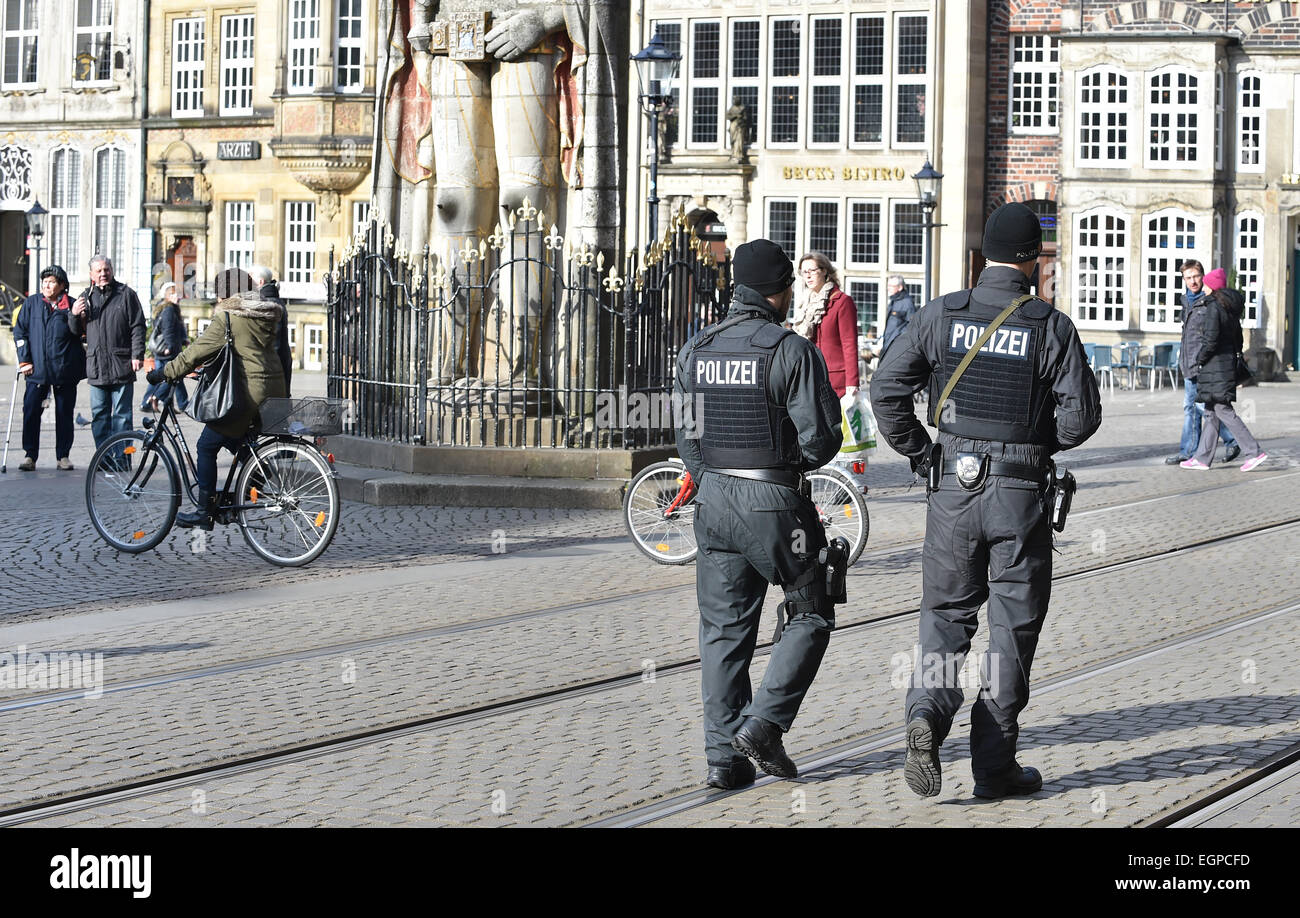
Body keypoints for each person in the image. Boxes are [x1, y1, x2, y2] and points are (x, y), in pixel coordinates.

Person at [870, 202, 1102, 799]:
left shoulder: (938, 315)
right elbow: (1080, 420)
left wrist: (924, 454)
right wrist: (1030, 444)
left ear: (982, 256)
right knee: (1011, 628)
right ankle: (994, 765)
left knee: (944, 617)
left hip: (952, 487)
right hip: (1020, 496)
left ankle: (925, 712)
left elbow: (886, 389)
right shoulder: (1049, 325)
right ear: (1034, 260)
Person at [673, 239, 845, 790]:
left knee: (723, 632)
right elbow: (821, 443)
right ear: (780, 290)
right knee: (812, 607)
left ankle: (724, 760)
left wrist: (715, 478)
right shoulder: (789, 350)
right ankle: (765, 726)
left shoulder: (695, 350)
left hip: (714, 500)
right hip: (774, 503)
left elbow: (688, 439)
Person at [145, 269, 290, 529]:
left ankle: (205, 511)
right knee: (235, 439)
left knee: (207, 445)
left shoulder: (228, 316)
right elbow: (246, 350)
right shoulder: (266, 313)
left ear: (224, 294)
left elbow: (196, 352)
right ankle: (251, 483)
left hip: (248, 392)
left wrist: (164, 372)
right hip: (273, 389)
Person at [1181, 268, 1267, 471]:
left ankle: (1253, 452)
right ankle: (1202, 458)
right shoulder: (1229, 307)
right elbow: (1238, 339)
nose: (1204, 285)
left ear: (1212, 285)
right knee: (1211, 411)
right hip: (1224, 365)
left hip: (1215, 367)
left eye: (1207, 283)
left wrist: (1200, 358)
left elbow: (1210, 339)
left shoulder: (1214, 307)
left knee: (1222, 410)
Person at [68, 255, 146, 456]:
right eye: (99, 271)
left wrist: (137, 354)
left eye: (106, 269)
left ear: (112, 270)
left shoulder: (126, 294)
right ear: (91, 274)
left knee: (122, 417)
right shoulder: (85, 297)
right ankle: (104, 460)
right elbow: (76, 332)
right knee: (100, 417)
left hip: (122, 364)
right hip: (96, 366)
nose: (103, 274)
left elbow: (138, 326)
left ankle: (122, 459)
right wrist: (74, 314)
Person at [11, 265, 85, 471]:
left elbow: (78, 333)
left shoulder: (71, 305)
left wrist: (76, 315)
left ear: (62, 285)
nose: (46, 285)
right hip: (37, 370)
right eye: (44, 281)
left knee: (64, 413)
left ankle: (63, 456)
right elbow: (20, 332)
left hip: (64, 370)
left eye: (51, 281)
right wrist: (24, 360)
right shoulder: (32, 303)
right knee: (31, 411)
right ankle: (30, 455)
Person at [1166, 260, 1238, 465]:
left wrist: (1202, 360)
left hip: (1203, 364)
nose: (1192, 281)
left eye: (1196, 276)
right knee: (1197, 408)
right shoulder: (1187, 301)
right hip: (1189, 363)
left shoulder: (1208, 302)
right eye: (1188, 278)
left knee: (1198, 408)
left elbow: (1211, 336)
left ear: (1202, 276)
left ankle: (1193, 450)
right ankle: (1200, 448)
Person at [140, 282, 190, 414]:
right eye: (174, 293)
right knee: (172, 377)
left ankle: (164, 404)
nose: (178, 296)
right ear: (167, 295)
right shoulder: (168, 310)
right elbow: (167, 330)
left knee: (168, 377)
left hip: (166, 349)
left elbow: (178, 327)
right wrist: (169, 346)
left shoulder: (169, 307)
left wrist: (184, 339)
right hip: (167, 350)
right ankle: (154, 399)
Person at [249, 265, 294, 396]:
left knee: (274, 408)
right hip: (278, 364)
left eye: (250, 278)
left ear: (260, 282)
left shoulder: (267, 303)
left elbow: (272, 342)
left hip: (273, 367)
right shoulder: (272, 299)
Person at [880, 275, 917, 356]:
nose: (888, 288)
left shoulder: (907, 303)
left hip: (896, 346)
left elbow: (912, 326)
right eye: (888, 285)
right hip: (887, 344)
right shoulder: (894, 301)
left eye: (891, 286)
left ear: (900, 287)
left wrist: (899, 339)